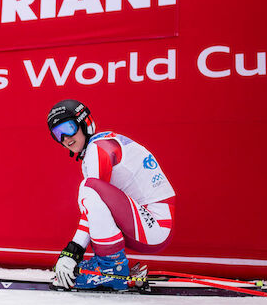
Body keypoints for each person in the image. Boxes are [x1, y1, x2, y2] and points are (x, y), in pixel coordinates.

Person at [47, 99, 176, 291]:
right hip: (147, 221)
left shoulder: (97, 149)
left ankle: (111, 269)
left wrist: (72, 252)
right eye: (58, 134)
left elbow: (92, 199)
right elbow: (97, 211)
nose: (65, 138)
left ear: (84, 123)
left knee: (88, 187)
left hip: (154, 224)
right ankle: (110, 267)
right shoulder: (100, 144)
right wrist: (73, 253)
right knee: (91, 190)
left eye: (68, 127)